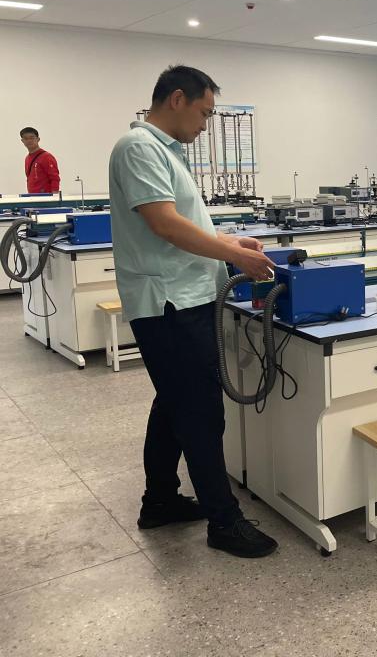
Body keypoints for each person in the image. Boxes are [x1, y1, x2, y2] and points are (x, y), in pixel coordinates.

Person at [109, 65, 279, 557]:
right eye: (204, 113)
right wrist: (233, 257)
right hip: (169, 303)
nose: (206, 125)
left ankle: (160, 501)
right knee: (201, 413)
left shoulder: (167, 151)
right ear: (177, 99)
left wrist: (229, 241)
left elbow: (184, 222)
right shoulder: (139, 147)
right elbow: (163, 224)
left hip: (185, 297)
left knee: (173, 404)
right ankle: (224, 523)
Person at [21, 127, 61, 194]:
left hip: (46, 198)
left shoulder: (46, 157)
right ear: (22, 141)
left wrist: (54, 197)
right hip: (32, 197)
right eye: (26, 138)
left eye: (32, 138)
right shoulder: (27, 158)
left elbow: (55, 178)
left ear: (38, 139)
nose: (29, 141)